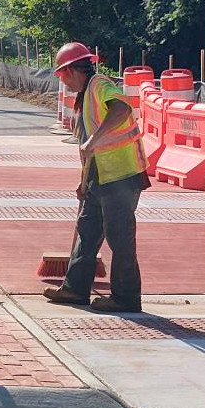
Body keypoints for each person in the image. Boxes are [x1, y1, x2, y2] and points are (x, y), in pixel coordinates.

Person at [44, 42, 149, 313]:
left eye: (62, 75)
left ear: (70, 71)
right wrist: (83, 181)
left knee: (119, 236)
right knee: (87, 231)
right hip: (99, 176)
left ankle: (126, 297)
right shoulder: (84, 97)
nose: (63, 82)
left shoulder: (100, 85)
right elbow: (87, 148)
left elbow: (122, 109)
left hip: (121, 175)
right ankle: (76, 289)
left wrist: (94, 139)